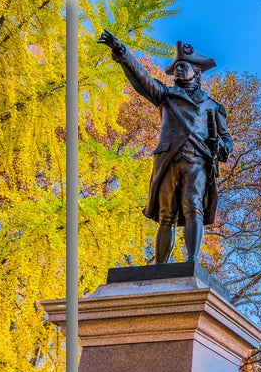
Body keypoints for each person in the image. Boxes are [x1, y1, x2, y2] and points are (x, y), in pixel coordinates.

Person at [97, 32, 231, 265]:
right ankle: (160, 267)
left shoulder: (213, 106)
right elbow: (142, 80)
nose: (178, 70)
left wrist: (221, 146)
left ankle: (191, 261)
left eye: (183, 66)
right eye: (176, 67)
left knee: (193, 206)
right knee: (166, 215)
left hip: (197, 161)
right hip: (168, 159)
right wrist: (122, 53)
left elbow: (227, 140)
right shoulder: (166, 95)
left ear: (196, 72)